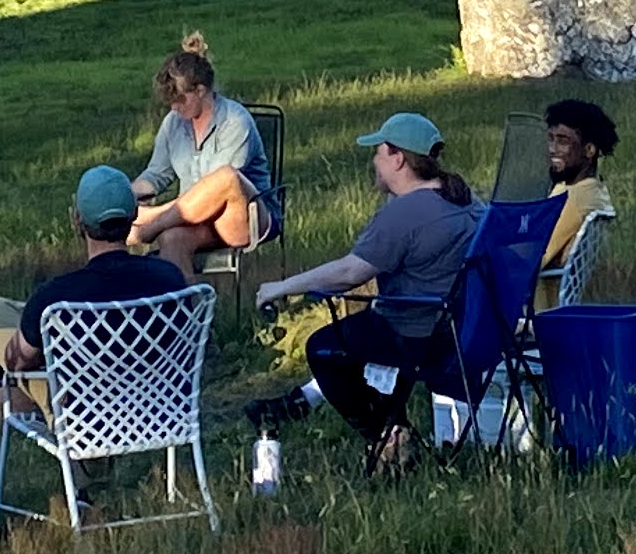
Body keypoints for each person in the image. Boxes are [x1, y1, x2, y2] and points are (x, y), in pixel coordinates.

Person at [256, 114, 476, 475]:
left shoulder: (406, 213)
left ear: (398, 159)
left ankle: (386, 436)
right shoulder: (467, 200)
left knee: (325, 348)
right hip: (460, 329)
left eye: (378, 152)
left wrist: (281, 287)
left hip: (416, 332)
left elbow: (349, 273)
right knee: (369, 334)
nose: (373, 160)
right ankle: (392, 425)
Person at [0, 166, 192, 375]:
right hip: (163, 406)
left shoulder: (55, 299)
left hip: (87, 410)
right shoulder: (170, 279)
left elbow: (16, 362)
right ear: (135, 213)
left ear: (76, 219)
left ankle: (43, 404)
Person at [126, 32, 279, 282]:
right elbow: (156, 175)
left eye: (179, 99)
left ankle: (149, 226)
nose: (174, 107)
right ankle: (188, 315)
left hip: (243, 217)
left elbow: (220, 189)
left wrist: (152, 217)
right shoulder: (173, 123)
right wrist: (124, 196)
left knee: (226, 178)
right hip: (195, 220)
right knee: (171, 237)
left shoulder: (235, 121)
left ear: (200, 90)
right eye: (170, 102)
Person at [537, 96, 618, 308]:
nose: (553, 149)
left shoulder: (575, 198)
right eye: (550, 139)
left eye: (563, 141)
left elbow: (535, 256)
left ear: (589, 150)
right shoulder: (591, 189)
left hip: (537, 311)